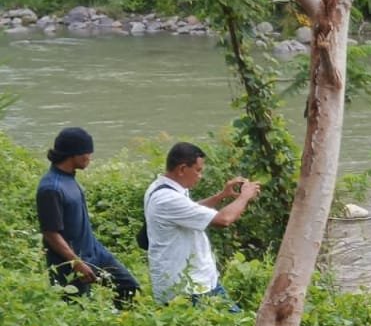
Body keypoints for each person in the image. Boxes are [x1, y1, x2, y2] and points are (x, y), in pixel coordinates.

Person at [143, 142, 261, 306]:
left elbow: (190, 210)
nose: (200, 176)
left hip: (200, 281)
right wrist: (245, 196)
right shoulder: (167, 198)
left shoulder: (162, 187)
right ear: (182, 169)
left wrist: (221, 196)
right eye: (198, 171)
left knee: (229, 324)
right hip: (186, 288)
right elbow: (223, 220)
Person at [35, 126, 139, 307]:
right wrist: (76, 262)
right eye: (87, 153)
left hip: (94, 252)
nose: (90, 158)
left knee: (128, 287)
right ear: (72, 154)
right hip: (69, 263)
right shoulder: (51, 188)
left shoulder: (69, 178)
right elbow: (51, 233)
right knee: (77, 308)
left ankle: (119, 325)